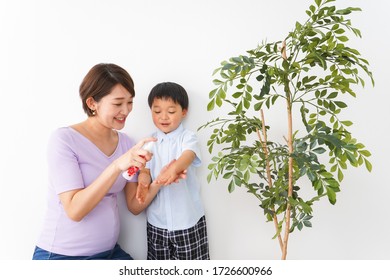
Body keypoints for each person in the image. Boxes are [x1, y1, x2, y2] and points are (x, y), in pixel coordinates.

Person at [32, 63, 183, 260]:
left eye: (129, 102)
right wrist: (117, 165)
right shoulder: (64, 140)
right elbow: (75, 210)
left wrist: (160, 179)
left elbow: (134, 206)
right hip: (62, 256)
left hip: (109, 254)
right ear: (92, 103)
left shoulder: (126, 143)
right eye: (118, 103)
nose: (126, 110)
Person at [136, 82, 210, 260]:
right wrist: (143, 181)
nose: (164, 117)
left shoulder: (187, 137)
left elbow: (189, 155)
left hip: (187, 221)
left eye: (170, 111)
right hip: (157, 223)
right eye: (157, 111)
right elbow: (144, 169)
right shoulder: (149, 141)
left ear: (184, 111)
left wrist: (175, 168)